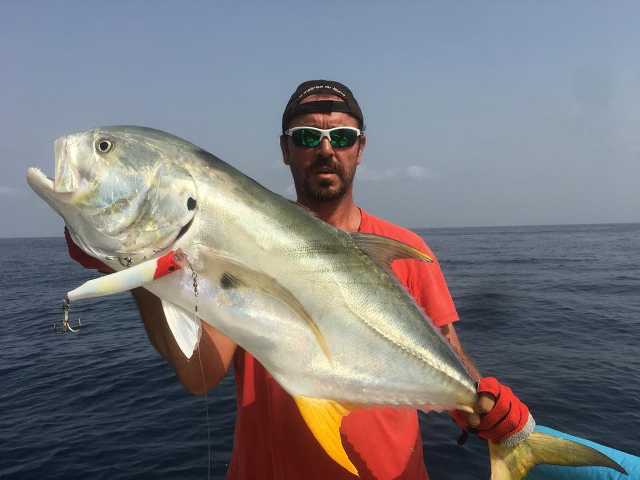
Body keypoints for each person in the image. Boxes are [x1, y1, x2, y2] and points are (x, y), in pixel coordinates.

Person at [66, 80, 533, 479]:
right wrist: (137, 267)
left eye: (342, 136)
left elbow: (443, 352)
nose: (326, 149)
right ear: (285, 150)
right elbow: (201, 374)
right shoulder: (237, 236)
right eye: (307, 137)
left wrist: (480, 401)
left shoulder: (406, 251)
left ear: (361, 148)